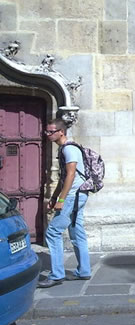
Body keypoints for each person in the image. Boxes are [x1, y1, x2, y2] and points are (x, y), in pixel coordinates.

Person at [38, 119, 92, 288]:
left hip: (73, 196)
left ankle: (56, 275)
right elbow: (63, 178)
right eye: (47, 132)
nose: (48, 135)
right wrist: (54, 197)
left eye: (51, 132)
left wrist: (61, 200)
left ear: (61, 132)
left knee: (53, 232)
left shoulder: (69, 149)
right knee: (77, 232)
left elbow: (70, 175)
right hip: (77, 195)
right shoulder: (64, 149)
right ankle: (84, 271)